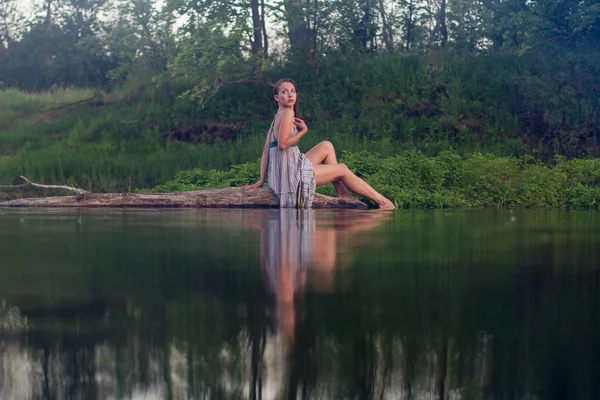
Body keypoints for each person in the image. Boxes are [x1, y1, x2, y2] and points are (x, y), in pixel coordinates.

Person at [243, 78, 396, 210]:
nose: (290, 95)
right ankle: (384, 202)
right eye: (284, 92)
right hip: (292, 179)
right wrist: (303, 132)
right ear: (276, 97)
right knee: (342, 169)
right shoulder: (288, 113)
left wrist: (262, 179)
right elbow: (283, 145)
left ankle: (342, 194)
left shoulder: (276, 117)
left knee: (326, 146)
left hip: (281, 176)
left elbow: (265, 150)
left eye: (293, 91)